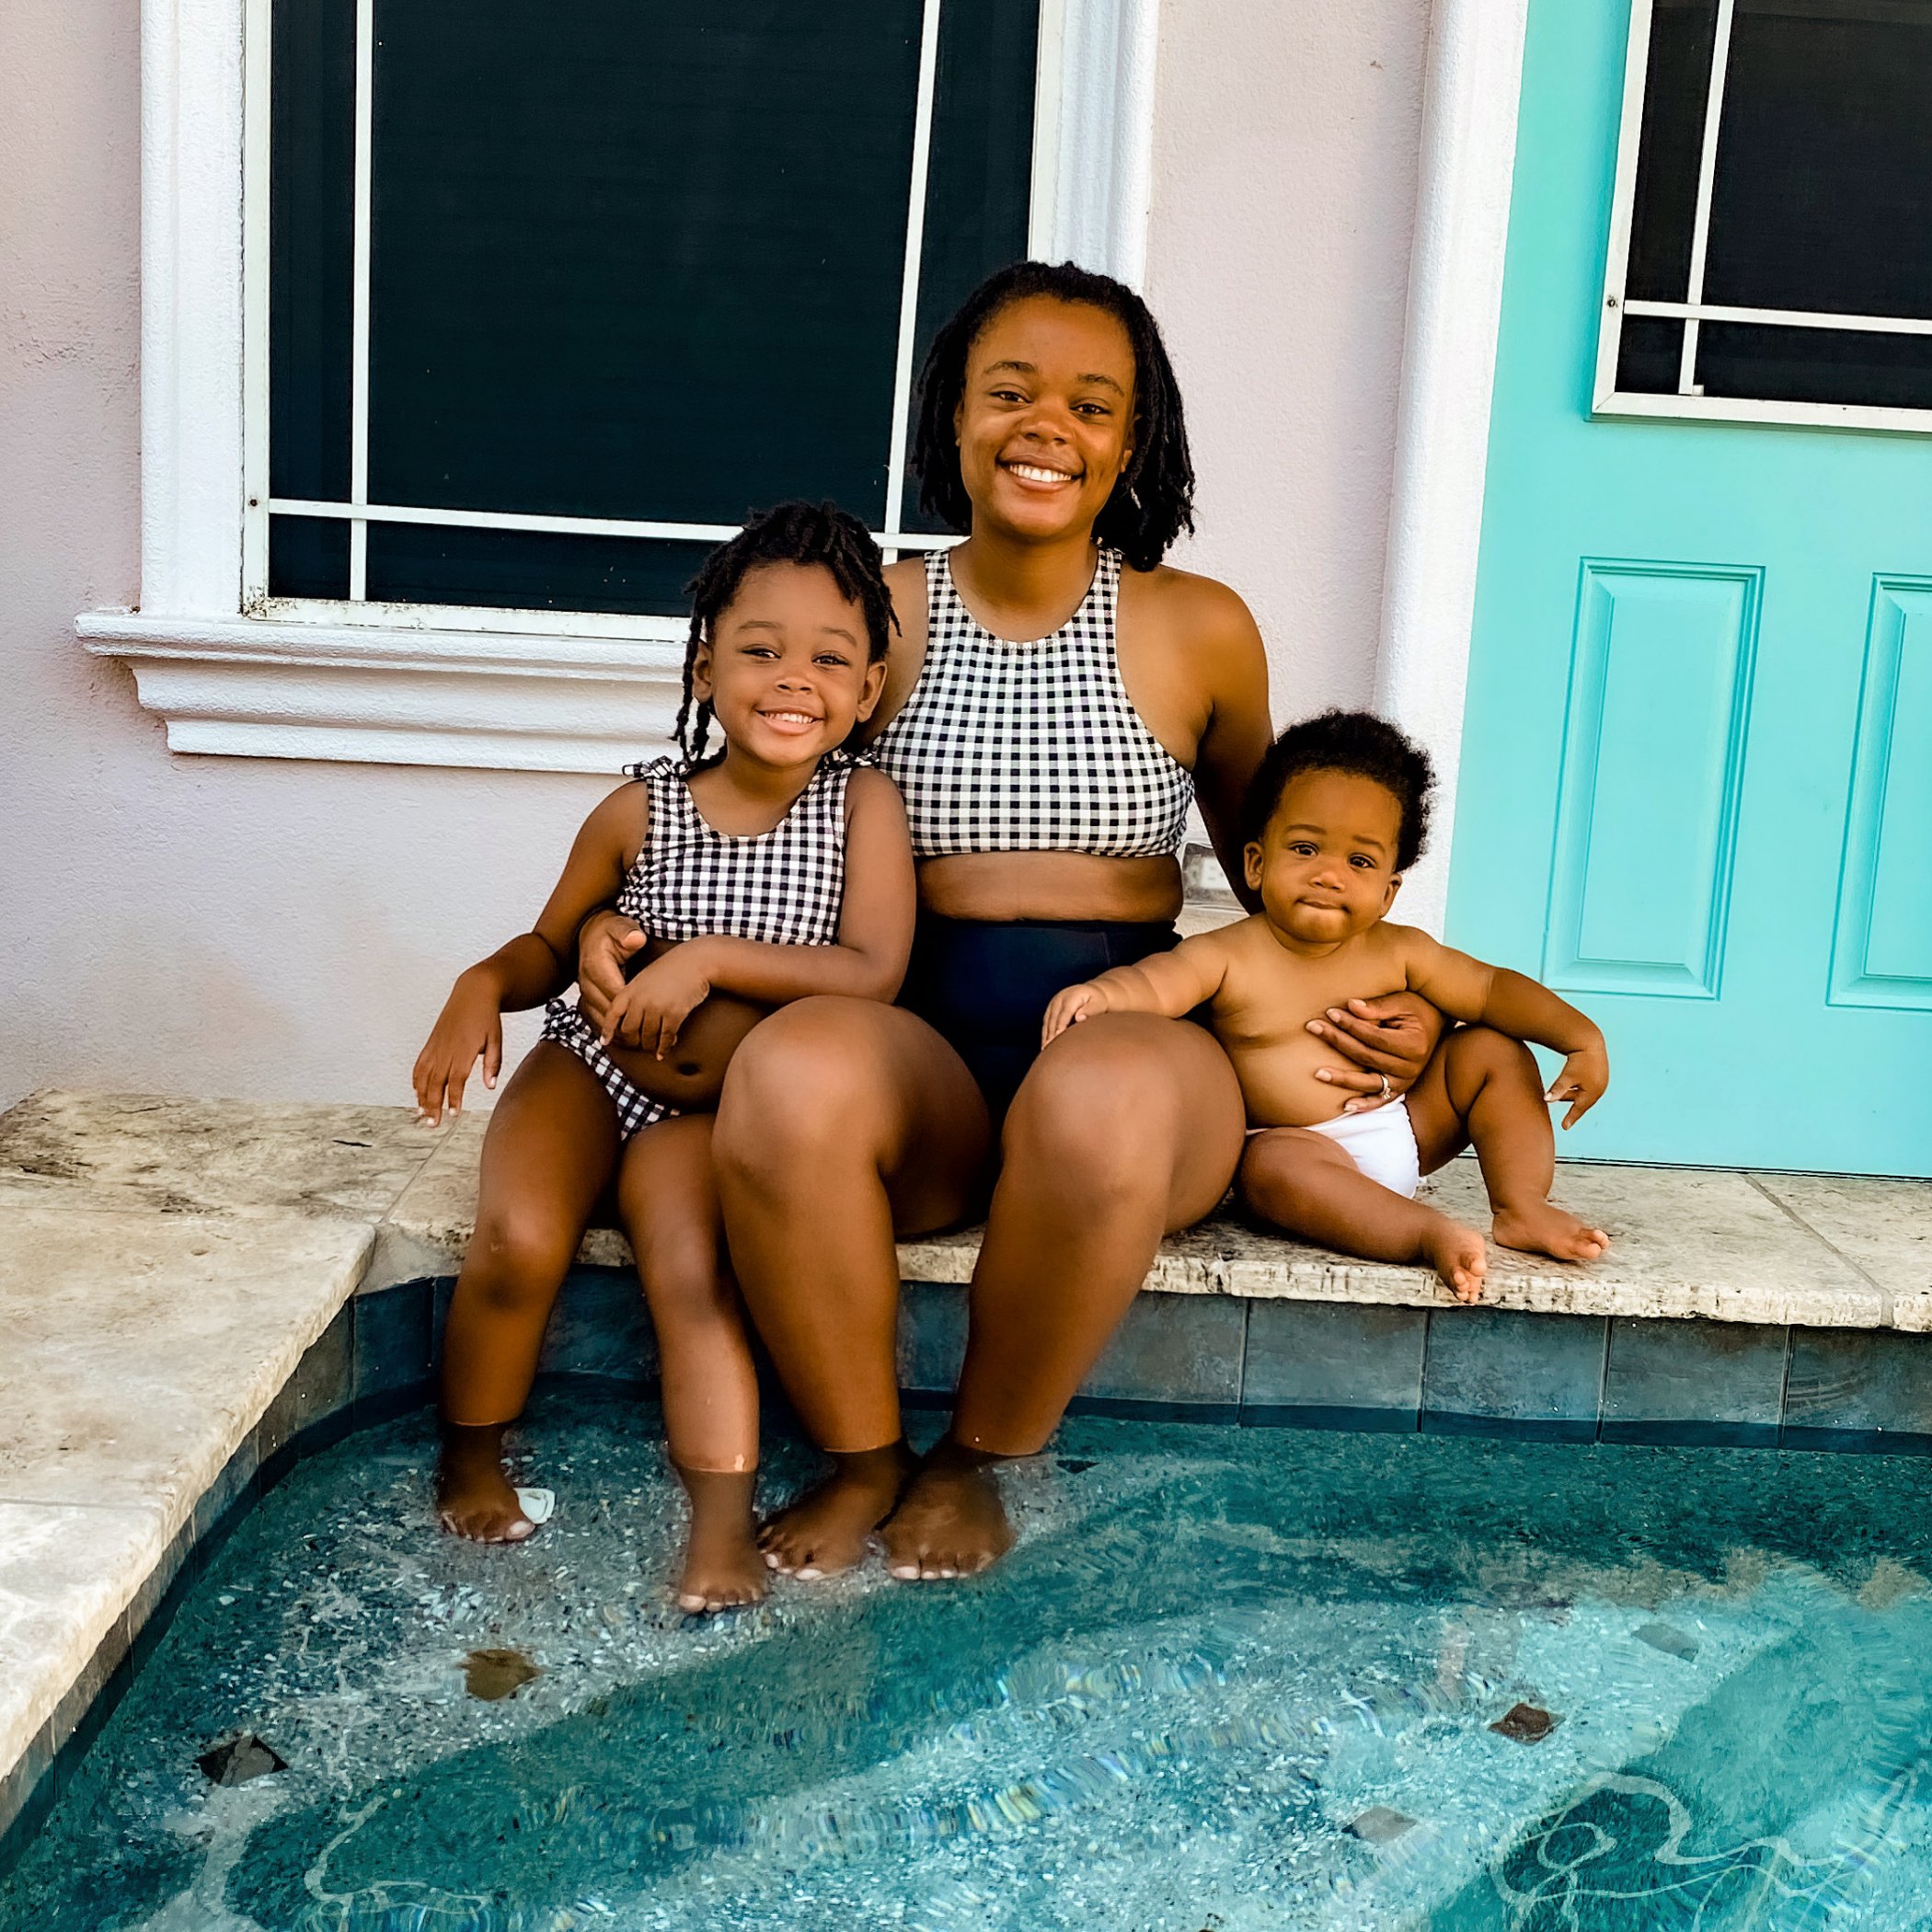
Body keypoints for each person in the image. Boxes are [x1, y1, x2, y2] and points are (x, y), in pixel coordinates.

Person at [576, 262, 1443, 1584]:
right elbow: (737, 803)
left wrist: (1400, 1004)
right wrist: (610, 929)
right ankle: (864, 1453)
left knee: (1092, 1097)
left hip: (1138, 1058)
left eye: (1093, 404)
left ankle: (976, 1455)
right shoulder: (885, 621)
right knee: (793, 1070)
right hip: (926, 1059)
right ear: (954, 419)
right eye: (1010, 392)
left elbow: (1284, 871)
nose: (1049, 426)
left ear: (1134, 441)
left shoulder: (1199, 630)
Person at [411, 502, 914, 1612]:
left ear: (869, 689)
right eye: (760, 650)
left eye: (831, 658)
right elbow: (555, 943)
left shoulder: (861, 806)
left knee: (692, 1279)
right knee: (516, 1237)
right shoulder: (640, 807)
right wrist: (483, 986)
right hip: (590, 1071)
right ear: (704, 667)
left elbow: (871, 969)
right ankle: (470, 1451)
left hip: (710, 1116)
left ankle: (721, 1530)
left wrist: (707, 963)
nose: (794, 679)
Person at [1044, 711, 1612, 1302]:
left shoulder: (1402, 951)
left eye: (1359, 861)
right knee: (1265, 1168)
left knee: (1494, 1050)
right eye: (1306, 847)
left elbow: (1492, 990)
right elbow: (1161, 983)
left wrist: (1579, 1037)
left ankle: (1522, 1205)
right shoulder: (1230, 954)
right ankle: (1421, 1233)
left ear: (1390, 890)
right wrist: (1104, 995)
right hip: (1300, 1147)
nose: (1329, 875)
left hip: (1411, 1126)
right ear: (1256, 864)